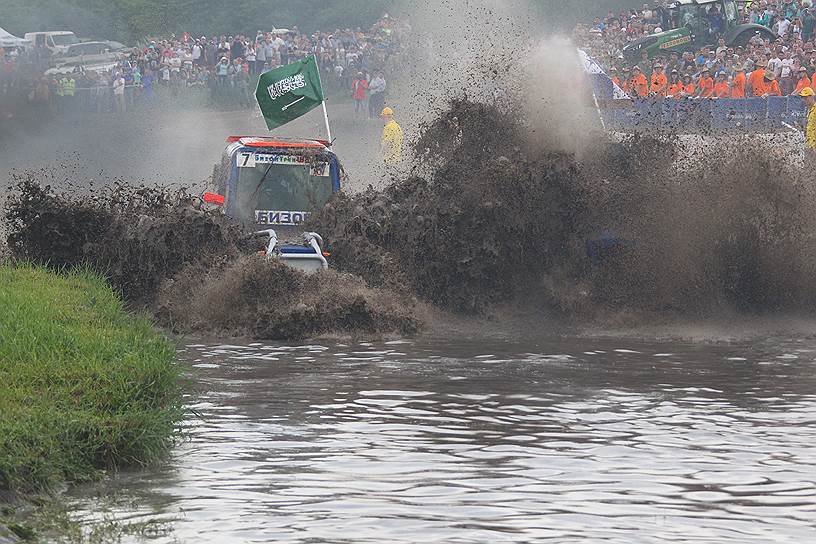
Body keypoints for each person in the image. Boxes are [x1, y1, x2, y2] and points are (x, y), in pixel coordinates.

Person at [799, 87, 816, 151]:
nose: (804, 100)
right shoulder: (809, 110)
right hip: (809, 144)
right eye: (803, 98)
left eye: (806, 97)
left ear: (811, 96)